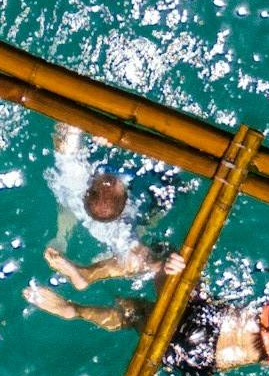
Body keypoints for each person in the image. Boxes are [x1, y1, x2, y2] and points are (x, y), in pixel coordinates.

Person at [22, 234, 269, 376]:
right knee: (135, 317)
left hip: (209, 322)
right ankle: (74, 310)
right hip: (198, 362)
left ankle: (88, 275)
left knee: (163, 255)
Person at [43, 121, 177, 288]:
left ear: (89, 187)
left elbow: (65, 134)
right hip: (107, 226)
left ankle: (77, 262)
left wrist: (92, 127)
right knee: (140, 249)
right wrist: (167, 265)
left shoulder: (75, 181)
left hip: (80, 208)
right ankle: (84, 271)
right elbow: (144, 260)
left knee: (66, 203)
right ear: (127, 201)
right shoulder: (122, 226)